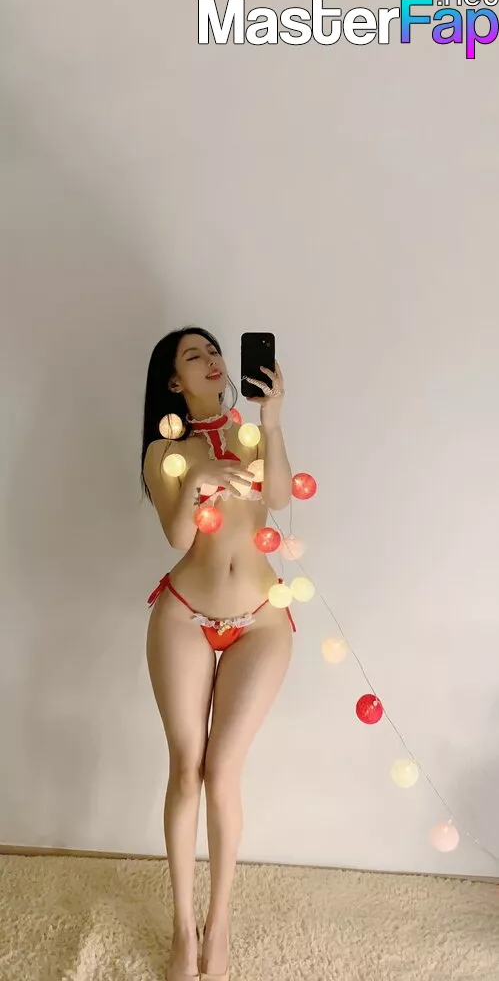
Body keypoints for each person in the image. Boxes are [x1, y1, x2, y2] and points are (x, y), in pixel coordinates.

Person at [141, 327, 295, 981]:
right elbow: (177, 534)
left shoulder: (252, 435)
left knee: (223, 770)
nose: (210, 361)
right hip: (184, 615)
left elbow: (279, 499)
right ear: (173, 381)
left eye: (213, 351)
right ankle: (182, 927)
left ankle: (219, 922)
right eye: (193, 355)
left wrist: (272, 419)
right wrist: (197, 478)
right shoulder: (164, 450)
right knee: (186, 769)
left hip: (261, 620)